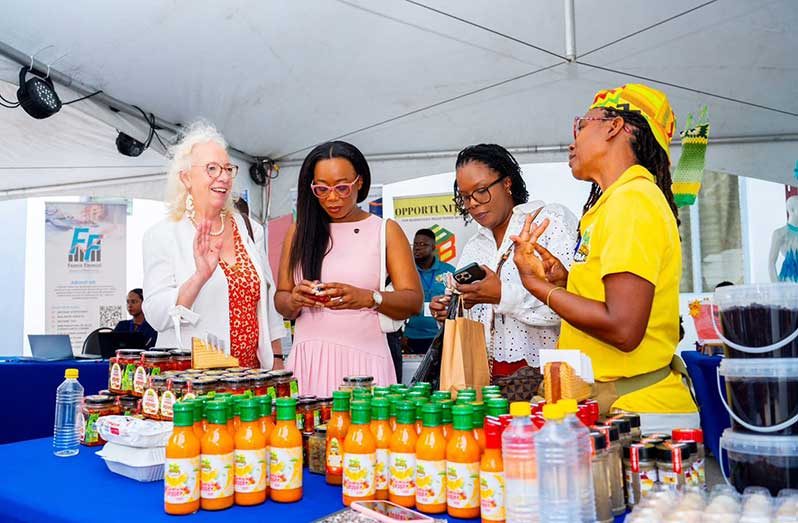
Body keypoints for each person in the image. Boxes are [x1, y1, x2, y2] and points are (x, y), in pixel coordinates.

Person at [511, 83, 698, 430]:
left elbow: (624, 329)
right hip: (623, 409)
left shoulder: (633, 202)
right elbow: (614, 301)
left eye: (581, 125)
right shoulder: (615, 203)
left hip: (639, 417)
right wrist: (566, 281)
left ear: (614, 126)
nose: (572, 140)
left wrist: (539, 287)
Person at [276, 141, 422, 397]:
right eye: (321, 189)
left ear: (360, 182)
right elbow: (281, 299)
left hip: (364, 362)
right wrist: (295, 300)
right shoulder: (299, 232)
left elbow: (413, 301)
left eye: (342, 187)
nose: (332, 197)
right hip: (309, 359)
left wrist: (369, 298)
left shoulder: (384, 230)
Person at [142, 122, 286, 369]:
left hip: (252, 380)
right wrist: (199, 277)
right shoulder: (163, 235)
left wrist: (277, 363)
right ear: (186, 177)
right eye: (212, 168)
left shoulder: (250, 230)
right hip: (196, 383)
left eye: (228, 168)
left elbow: (268, 306)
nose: (224, 176)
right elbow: (155, 315)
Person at [429, 144, 578, 377]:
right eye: (465, 197)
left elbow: (575, 306)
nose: (473, 203)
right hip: (481, 378)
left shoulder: (549, 222)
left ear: (507, 183)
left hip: (547, 376)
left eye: (480, 190)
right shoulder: (474, 247)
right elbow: (472, 320)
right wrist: (449, 311)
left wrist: (501, 295)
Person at [403, 229, 455, 354]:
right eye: (416, 244)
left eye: (423, 244)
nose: (417, 248)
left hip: (441, 335)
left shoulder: (448, 271)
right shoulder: (406, 271)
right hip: (411, 337)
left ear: (433, 247)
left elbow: (456, 303)